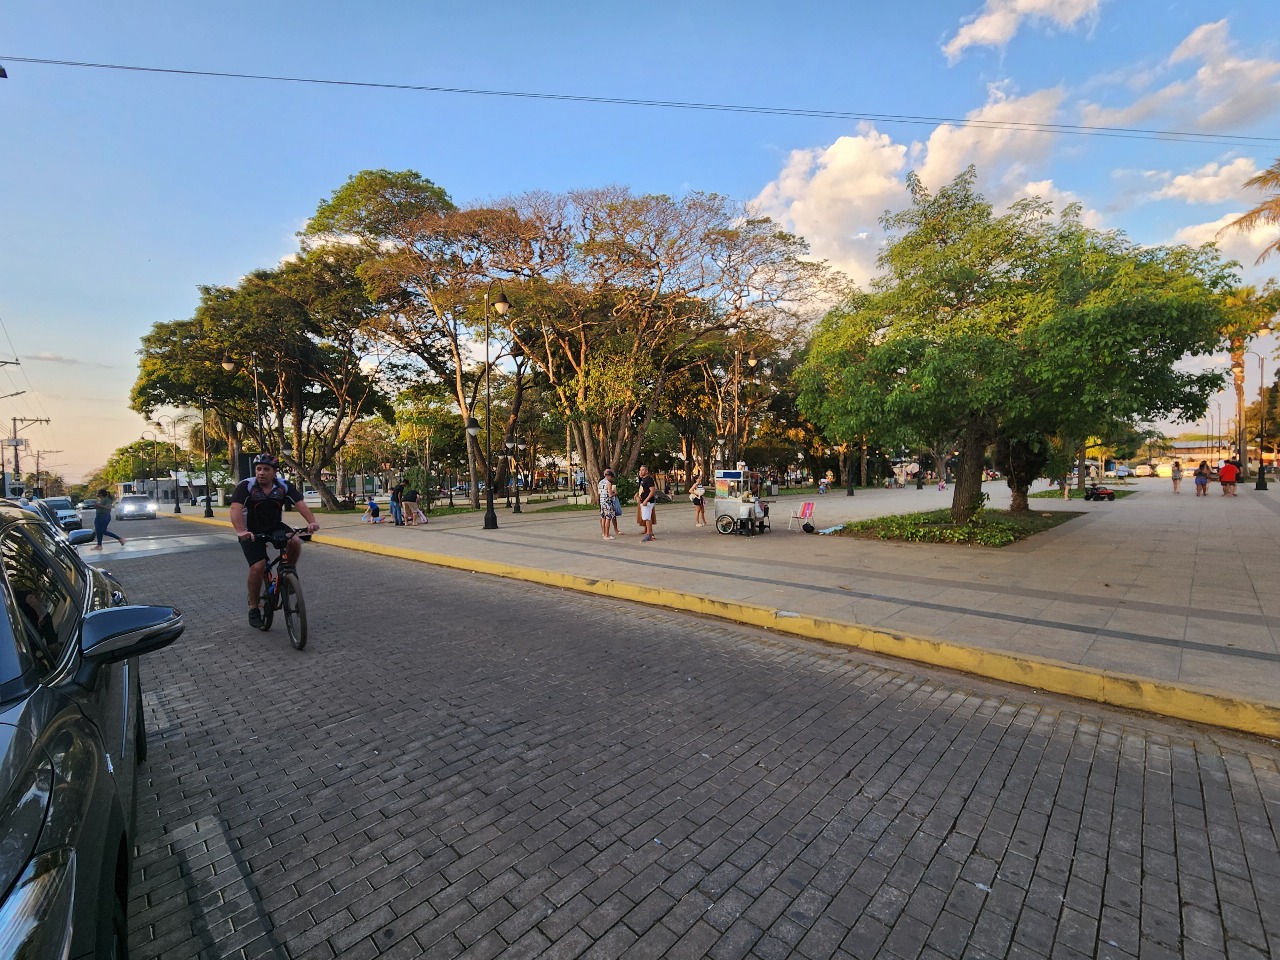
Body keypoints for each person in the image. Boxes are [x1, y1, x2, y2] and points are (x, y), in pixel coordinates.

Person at [230, 454, 320, 628]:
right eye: (258, 469)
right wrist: (241, 531)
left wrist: (312, 522)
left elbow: (300, 504)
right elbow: (235, 509)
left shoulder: (284, 486)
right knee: (258, 567)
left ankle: (289, 571)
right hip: (251, 531)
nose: (261, 473)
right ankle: (254, 607)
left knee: (294, 541)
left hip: (274, 525)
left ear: (274, 472)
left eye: (266, 469)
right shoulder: (246, 486)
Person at [637, 464, 658, 542]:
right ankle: (650, 533)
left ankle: (648, 534)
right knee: (646, 517)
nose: (641, 471)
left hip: (648, 502)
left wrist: (646, 500)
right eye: (640, 470)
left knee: (647, 518)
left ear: (646, 471)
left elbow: (652, 490)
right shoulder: (643, 479)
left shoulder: (649, 479)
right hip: (643, 501)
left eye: (643, 470)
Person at [598, 469, 617, 540]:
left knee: (603, 517)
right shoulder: (608, 483)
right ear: (609, 476)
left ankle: (604, 533)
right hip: (607, 502)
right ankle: (607, 535)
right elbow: (610, 495)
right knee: (608, 518)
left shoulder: (600, 482)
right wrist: (614, 493)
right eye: (612, 477)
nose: (612, 479)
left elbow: (599, 492)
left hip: (602, 501)